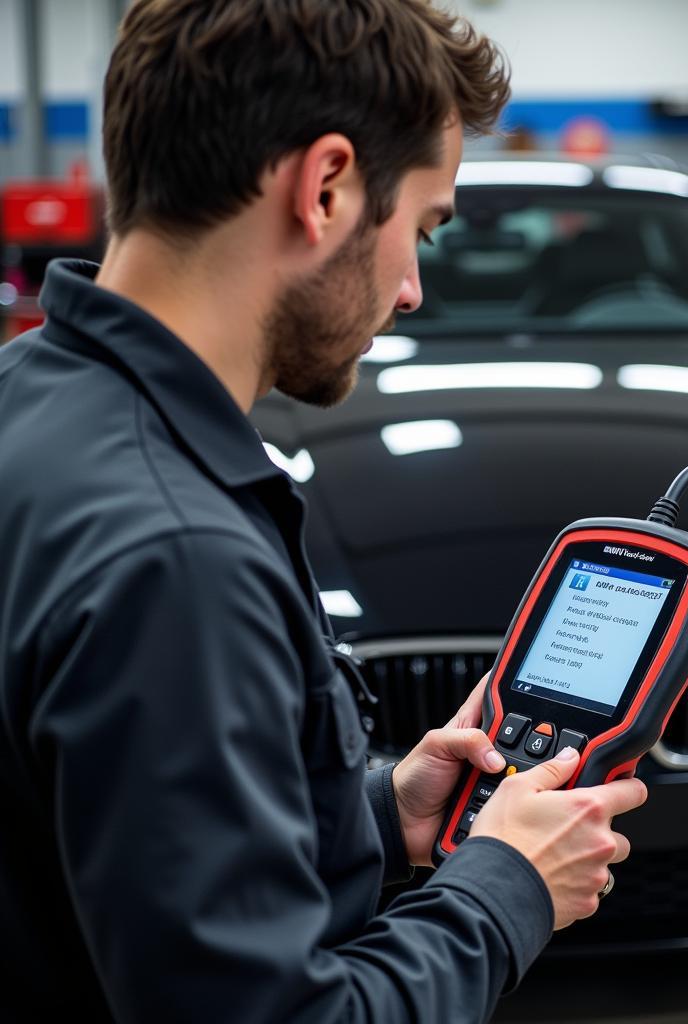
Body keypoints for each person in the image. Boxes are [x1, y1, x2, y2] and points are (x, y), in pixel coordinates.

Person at [0, 2, 647, 1021]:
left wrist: (378, 818)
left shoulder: (27, 401)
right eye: (421, 228)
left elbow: (106, 845)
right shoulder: (177, 555)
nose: (411, 291)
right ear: (328, 187)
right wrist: (507, 884)